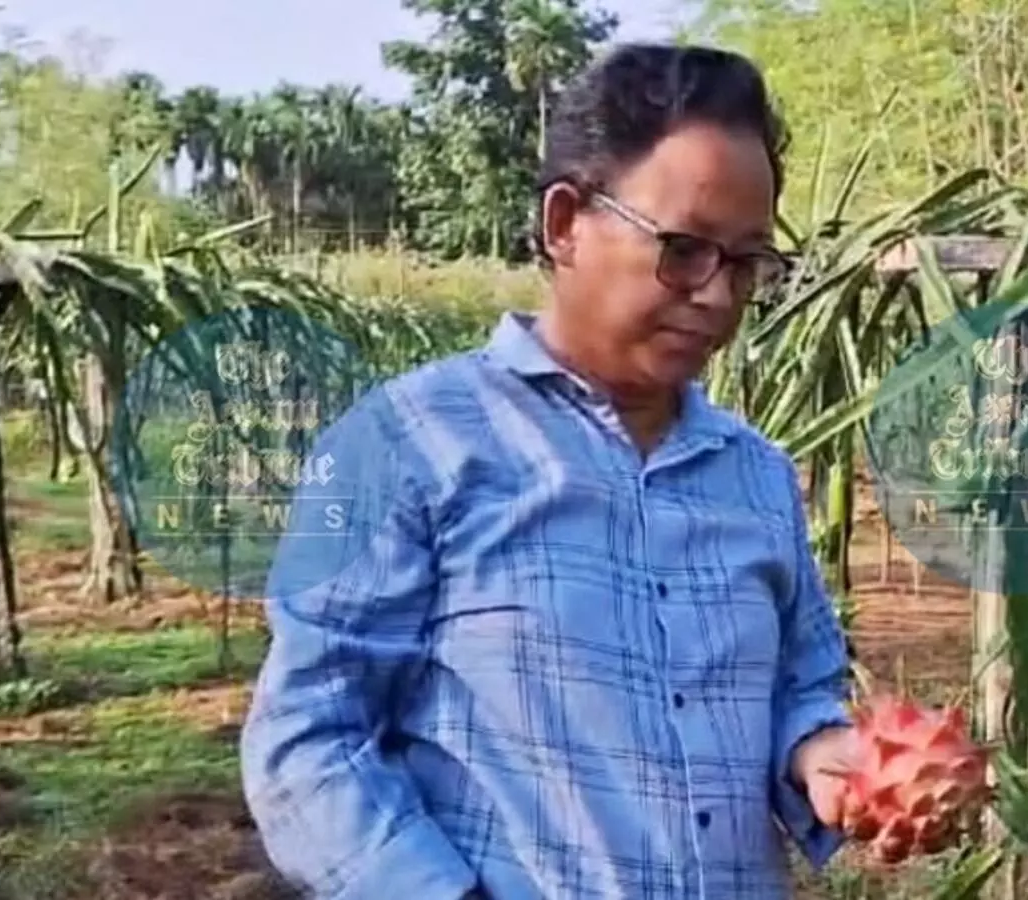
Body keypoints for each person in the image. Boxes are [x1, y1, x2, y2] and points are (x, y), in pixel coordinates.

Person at [240, 41, 863, 900]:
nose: (718, 295)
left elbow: (802, 684)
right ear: (565, 222)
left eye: (747, 260)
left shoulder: (754, 475)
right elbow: (309, 736)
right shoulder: (405, 444)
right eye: (684, 248)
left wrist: (823, 754)